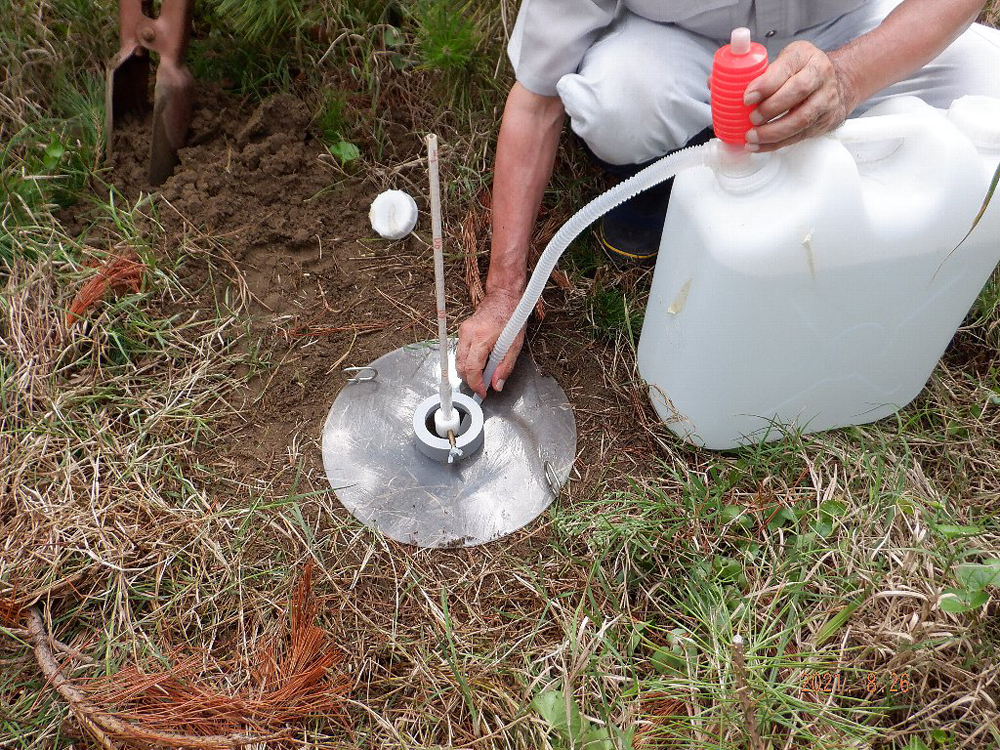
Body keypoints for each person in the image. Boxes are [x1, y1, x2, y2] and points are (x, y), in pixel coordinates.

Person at [455, 0, 1000, 398]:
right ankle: (665, 186)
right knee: (618, 101)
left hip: (849, 28)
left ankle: (870, 202)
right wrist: (505, 293)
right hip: (677, 43)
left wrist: (850, 75)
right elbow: (536, 102)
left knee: (987, 90)